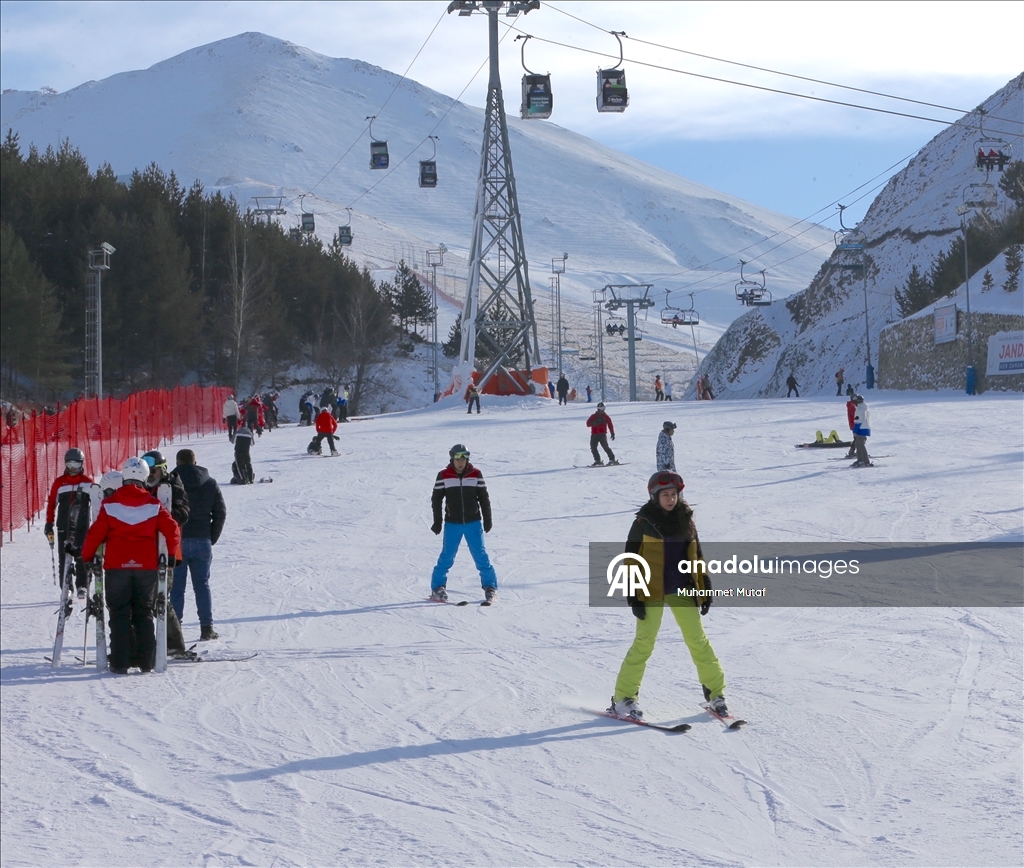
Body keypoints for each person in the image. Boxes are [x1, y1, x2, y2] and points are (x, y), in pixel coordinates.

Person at [609, 471, 728, 720]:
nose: (671, 499)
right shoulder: (643, 523)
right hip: (650, 590)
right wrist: (633, 595)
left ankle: (716, 694)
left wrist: (704, 586)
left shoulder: (686, 519)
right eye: (665, 495)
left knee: (698, 640)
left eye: (674, 494)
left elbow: (697, 554)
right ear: (655, 496)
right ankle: (624, 698)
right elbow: (630, 559)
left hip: (681, 587)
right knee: (644, 644)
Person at [81, 456, 181, 674]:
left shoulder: (109, 504)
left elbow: (94, 535)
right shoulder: (153, 504)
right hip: (146, 567)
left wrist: (87, 558)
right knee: (144, 613)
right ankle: (147, 662)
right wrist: (171, 555)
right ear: (144, 478)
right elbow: (173, 529)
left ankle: (119, 662)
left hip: (117, 567)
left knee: (118, 614)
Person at [170, 449, 227, 642]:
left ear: (177, 462)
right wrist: (211, 537)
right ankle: (206, 628)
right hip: (202, 539)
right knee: (202, 585)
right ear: (196, 462)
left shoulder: (170, 484)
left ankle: (175, 631)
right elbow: (220, 511)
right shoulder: (210, 483)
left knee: (177, 588)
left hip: (178, 541)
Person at [429, 444, 497, 603]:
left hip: (473, 523)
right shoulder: (444, 475)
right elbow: (436, 499)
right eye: (457, 458)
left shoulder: (476, 474)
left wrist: (488, 519)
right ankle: (437, 587)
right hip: (453, 524)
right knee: (447, 556)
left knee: (481, 556)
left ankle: (490, 587)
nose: (460, 462)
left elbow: (484, 499)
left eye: (464, 458)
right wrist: (438, 521)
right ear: (452, 458)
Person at [142, 450, 189, 656]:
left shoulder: (173, 487)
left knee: (160, 598)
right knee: (147, 599)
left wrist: (158, 516)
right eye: (147, 473)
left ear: (162, 470)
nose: (150, 477)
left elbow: (182, 514)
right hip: (146, 550)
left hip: (167, 550)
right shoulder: (142, 486)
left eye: (153, 472)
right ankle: (151, 641)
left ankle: (174, 643)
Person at [45, 447, 96, 598]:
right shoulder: (59, 483)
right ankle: (67, 588)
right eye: (70, 465)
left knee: (82, 555)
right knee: (64, 557)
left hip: (82, 526)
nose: (73, 469)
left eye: (76, 465)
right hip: (64, 525)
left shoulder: (88, 483)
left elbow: (97, 506)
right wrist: (49, 524)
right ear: (65, 465)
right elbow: (51, 504)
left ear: (82, 465)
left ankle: (82, 585)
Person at [586, 402, 618, 466]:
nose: (603, 411)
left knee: (605, 447)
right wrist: (594, 423)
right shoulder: (593, 416)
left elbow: (610, 425)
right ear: (598, 409)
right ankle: (597, 460)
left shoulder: (606, 417)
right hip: (594, 435)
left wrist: (612, 433)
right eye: (601, 409)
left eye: (604, 409)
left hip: (602, 435)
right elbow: (588, 424)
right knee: (593, 447)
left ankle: (612, 459)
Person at [851, 394, 872, 467]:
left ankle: (865, 461)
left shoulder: (859, 410)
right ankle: (860, 460)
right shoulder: (865, 408)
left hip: (861, 429)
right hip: (866, 428)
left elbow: (858, 421)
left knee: (860, 445)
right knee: (858, 444)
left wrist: (855, 431)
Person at [845, 391, 858, 458]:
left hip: (854, 425)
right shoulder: (852, 406)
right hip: (854, 425)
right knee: (858, 439)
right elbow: (854, 416)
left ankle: (854, 452)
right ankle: (852, 452)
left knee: (857, 438)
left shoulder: (852, 405)